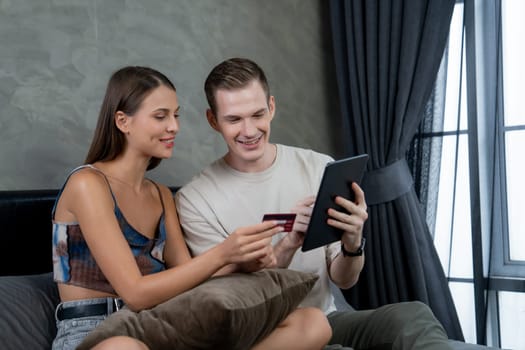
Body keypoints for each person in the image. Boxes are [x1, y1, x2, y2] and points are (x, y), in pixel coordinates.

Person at [175, 57, 454, 350]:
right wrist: (287, 245)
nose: (249, 130)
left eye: (257, 114)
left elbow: (344, 280)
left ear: (271, 107)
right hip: (266, 335)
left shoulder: (318, 167)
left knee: (412, 316)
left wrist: (352, 241)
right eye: (234, 119)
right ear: (212, 120)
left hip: (326, 319)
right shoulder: (195, 200)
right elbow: (230, 302)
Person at [51, 66, 332, 350]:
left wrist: (238, 262)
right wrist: (223, 253)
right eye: (161, 116)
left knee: (312, 322)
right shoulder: (87, 184)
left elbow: (191, 279)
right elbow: (135, 293)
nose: (174, 126)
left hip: (155, 322)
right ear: (123, 122)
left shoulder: (161, 196)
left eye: (176, 115)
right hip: (95, 331)